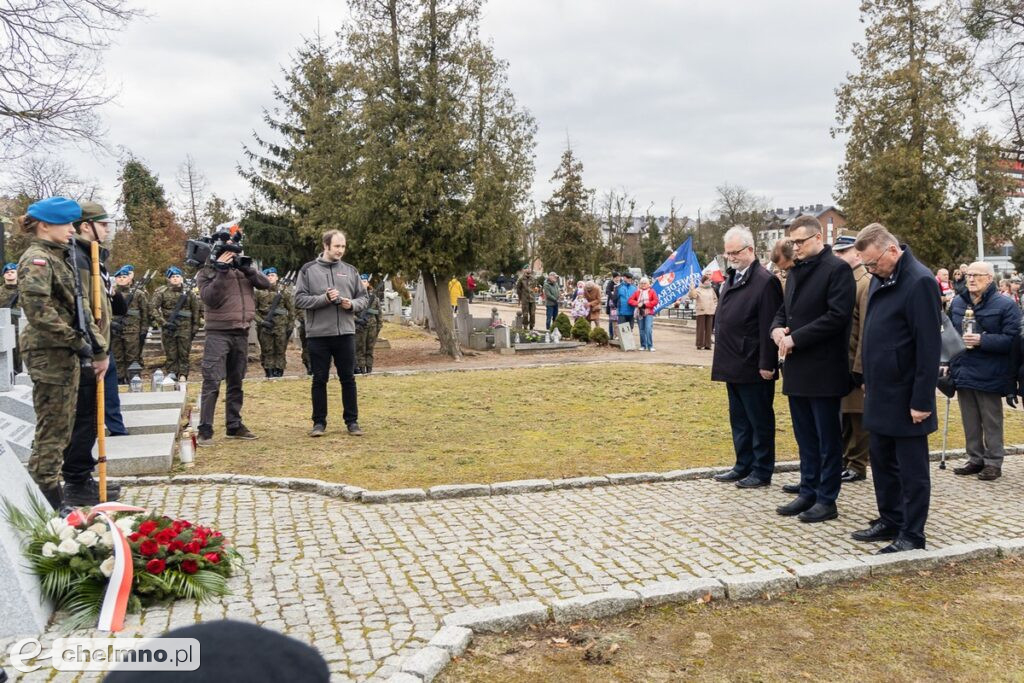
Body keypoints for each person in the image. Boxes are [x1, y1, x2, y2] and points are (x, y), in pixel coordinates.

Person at [851, 223, 940, 552]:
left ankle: (913, 533)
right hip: (879, 391)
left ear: (891, 250)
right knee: (883, 461)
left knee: (912, 470)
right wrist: (866, 380)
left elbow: (928, 347)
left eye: (873, 263)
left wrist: (921, 400)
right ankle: (890, 519)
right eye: (865, 265)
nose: (870, 270)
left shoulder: (920, 282)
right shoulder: (879, 277)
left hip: (906, 396)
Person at [16, 197, 108, 510]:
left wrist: (98, 348)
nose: (72, 229)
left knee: (61, 430)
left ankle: (48, 499)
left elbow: (79, 307)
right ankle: (46, 505)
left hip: (65, 352)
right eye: (66, 224)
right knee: (52, 433)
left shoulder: (59, 256)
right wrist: (75, 340)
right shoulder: (37, 259)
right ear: (44, 225)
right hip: (50, 354)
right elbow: (38, 310)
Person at [770, 215, 855, 523]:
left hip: (824, 368)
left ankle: (826, 498)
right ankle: (808, 490)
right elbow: (784, 311)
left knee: (827, 438)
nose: (795, 248)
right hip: (797, 368)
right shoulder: (796, 272)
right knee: (805, 436)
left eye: (800, 242)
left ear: (818, 239)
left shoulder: (837, 270)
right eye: (792, 242)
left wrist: (795, 338)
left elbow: (837, 316)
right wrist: (777, 330)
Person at [711, 226, 784, 488]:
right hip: (733, 361)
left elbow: (769, 324)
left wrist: (768, 363)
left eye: (736, 252)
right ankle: (743, 464)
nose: (731, 257)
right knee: (739, 419)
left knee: (759, 420)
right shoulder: (732, 277)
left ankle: (762, 469)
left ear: (750, 250)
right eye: (728, 253)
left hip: (753, 363)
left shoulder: (765, 281)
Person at [195, 238, 272, 446]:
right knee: (212, 381)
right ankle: (205, 430)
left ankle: (234, 425)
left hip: (242, 332)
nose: (232, 255)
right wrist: (221, 271)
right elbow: (211, 298)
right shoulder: (206, 273)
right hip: (218, 333)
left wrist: (248, 270)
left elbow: (266, 284)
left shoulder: (242, 270)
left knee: (236, 381)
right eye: (227, 252)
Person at [949, 261, 1021, 481]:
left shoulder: (1005, 305)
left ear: (989, 279)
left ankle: (993, 462)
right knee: (969, 419)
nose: (970, 279)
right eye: (969, 274)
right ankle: (975, 458)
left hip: (990, 371)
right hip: (963, 368)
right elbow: (949, 333)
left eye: (976, 275)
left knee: (991, 420)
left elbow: (1013, 340)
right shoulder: (958, 303)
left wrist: (983, 340)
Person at [294, 230, 369, 438]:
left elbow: (363, 299)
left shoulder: (350, 270)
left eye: (343, 246)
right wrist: (324, 299)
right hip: (318, 335)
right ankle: (319, 423)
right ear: (325, 246)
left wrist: (351, 304)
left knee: (348, 378)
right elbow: (299, 299)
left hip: (345, 333)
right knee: (319, 379)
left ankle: (352, 422)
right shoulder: (308, 270)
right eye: (337, 246)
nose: (340, 251)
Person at [69, 201, 129, 451]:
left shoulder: (97, 259)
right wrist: (95, 347)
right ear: (85, 226)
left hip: (103, 343)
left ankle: (115, 427)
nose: (106, 230)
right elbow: (81, 307)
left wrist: (112, 291)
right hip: (90, 346)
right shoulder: (79, 258)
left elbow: (118, 308)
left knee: (105, 397)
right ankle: (79, 473)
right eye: (102, 225)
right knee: (86, 413)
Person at [833, 231, 871, 484]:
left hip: (855, 362)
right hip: (840, 361)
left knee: (857, 417)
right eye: (835, 251)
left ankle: (857, 464)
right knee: (844, 416)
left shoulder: (864, 283)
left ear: (857, 253)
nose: (837, 256)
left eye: (842, 251)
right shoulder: (845, 280)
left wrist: (860, 369)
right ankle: (847, 460)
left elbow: (866, 329)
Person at [151, 266, 199, 380]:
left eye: (178, 276)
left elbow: (196, 309)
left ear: (181, 278)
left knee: (184, 353)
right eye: (173, 277)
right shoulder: (161, 292)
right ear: (168, 279)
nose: (176, 279)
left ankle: (183, 374)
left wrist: (195, 326)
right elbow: (152, 308)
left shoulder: (189, 293)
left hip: (185, 327)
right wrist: (163, 323)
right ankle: (172, 373)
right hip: (169, 327)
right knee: (171, 353)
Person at [254, 267, 296, 378]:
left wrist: (291, 326)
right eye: (267, 275)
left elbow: (291, 310)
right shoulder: (258, 292)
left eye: (272, 275)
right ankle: (269, 372)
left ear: (277, 277)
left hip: (281, 325)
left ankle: (279, 371)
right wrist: (262, 322)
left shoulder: (284, 291)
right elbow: (252, 310)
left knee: (280, 350)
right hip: (265, 326)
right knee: (267, 350)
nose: (270, 277)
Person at [111, 265, 150, 383]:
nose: (122, 279)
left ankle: (133, 378)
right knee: (117, 355)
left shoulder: (138, 294)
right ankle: (119, 378)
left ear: (129, 279)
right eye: (119, 277)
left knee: (132, 356)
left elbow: (145, 313)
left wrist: (143, 330)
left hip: (133, 331)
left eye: (124, 276)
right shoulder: (111, 293)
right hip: (115, 329)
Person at [355, 274, 382, 374]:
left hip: (372, 327)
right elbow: (351, 313)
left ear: (368, 283)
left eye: (365, 281)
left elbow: (378, 314)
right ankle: (361, 369)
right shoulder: (356, 297)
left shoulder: (374, 298)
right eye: (361, 282)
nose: (363, 283)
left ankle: (369, 369)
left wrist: (378, 328)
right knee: (360, 350)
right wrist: (358, 321)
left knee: (369, 350)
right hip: (360, 327)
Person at [629, 276, 660, 351]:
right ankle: (643, 345)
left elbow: (656, 301)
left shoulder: (652, 291)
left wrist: (645, 305)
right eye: (641, 283)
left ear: (648, 284)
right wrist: (638, 303)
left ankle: (650, 345)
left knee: (648, 328)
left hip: (649, 312)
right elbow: (630, 300)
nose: (643, 285)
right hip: (639, 313)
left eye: (645, 283)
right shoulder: (637, 292)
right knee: (641, 329)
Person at [688, 275, 717, 350]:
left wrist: (714, 305)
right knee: (700, 329)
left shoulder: (711, 289)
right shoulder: (698, 289)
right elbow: (692, 296)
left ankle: (708, 344)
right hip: (701, 311)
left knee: (709, 329)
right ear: (703, 281)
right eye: (707, 280)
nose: (708, 282)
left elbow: (715, 299)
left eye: (709, 280)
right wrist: (692, 289)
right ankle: (699, 344)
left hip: (710, 311)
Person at [3, 262, 22, 372]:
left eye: (12, 272)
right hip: (5, 330)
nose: (9, 274)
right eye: (7, 272)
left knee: (21, 359)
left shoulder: (24, 291)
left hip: (21, 329)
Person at [604, 271, 621, 336]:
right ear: (613, 278)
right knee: (611, 320)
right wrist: (613, 297)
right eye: (616, 277)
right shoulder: (610, 283)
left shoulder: (621, 283)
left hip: (619, 303)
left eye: (618, 277)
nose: (617, 279)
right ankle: (611, 335)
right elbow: (607, 291)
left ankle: (618, 335)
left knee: (619, 320)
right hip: (612, 304)